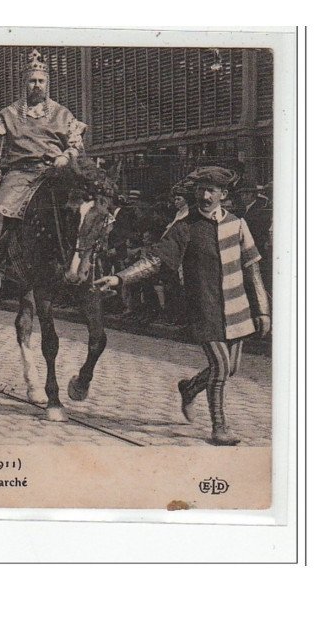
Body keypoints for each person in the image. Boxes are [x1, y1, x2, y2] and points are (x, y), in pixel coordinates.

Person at [95, 166, 271, 446]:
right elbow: (155, 261)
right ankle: (219, 427)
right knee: (221, 367)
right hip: (205, 307)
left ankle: (189, 388)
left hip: (238, 307)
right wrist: (120, 278)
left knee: (231, 368)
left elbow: (253, 270)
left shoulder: (238, 224)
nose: (204, 195)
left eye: (211, 190)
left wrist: (262, 309)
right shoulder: (185, 227)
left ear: (223, 195)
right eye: (200, 189)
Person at [0, 48, 88, 293]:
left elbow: (76, 146)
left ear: (47, 83)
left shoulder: (63, 113)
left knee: (83, 212)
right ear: (24, 83)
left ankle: (83, 264)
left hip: (56, 172)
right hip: (20, 174)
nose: (36, 85)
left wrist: (65, 156)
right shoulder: (6, 115)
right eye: (31, 81)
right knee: (0, 214)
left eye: (41, 81)